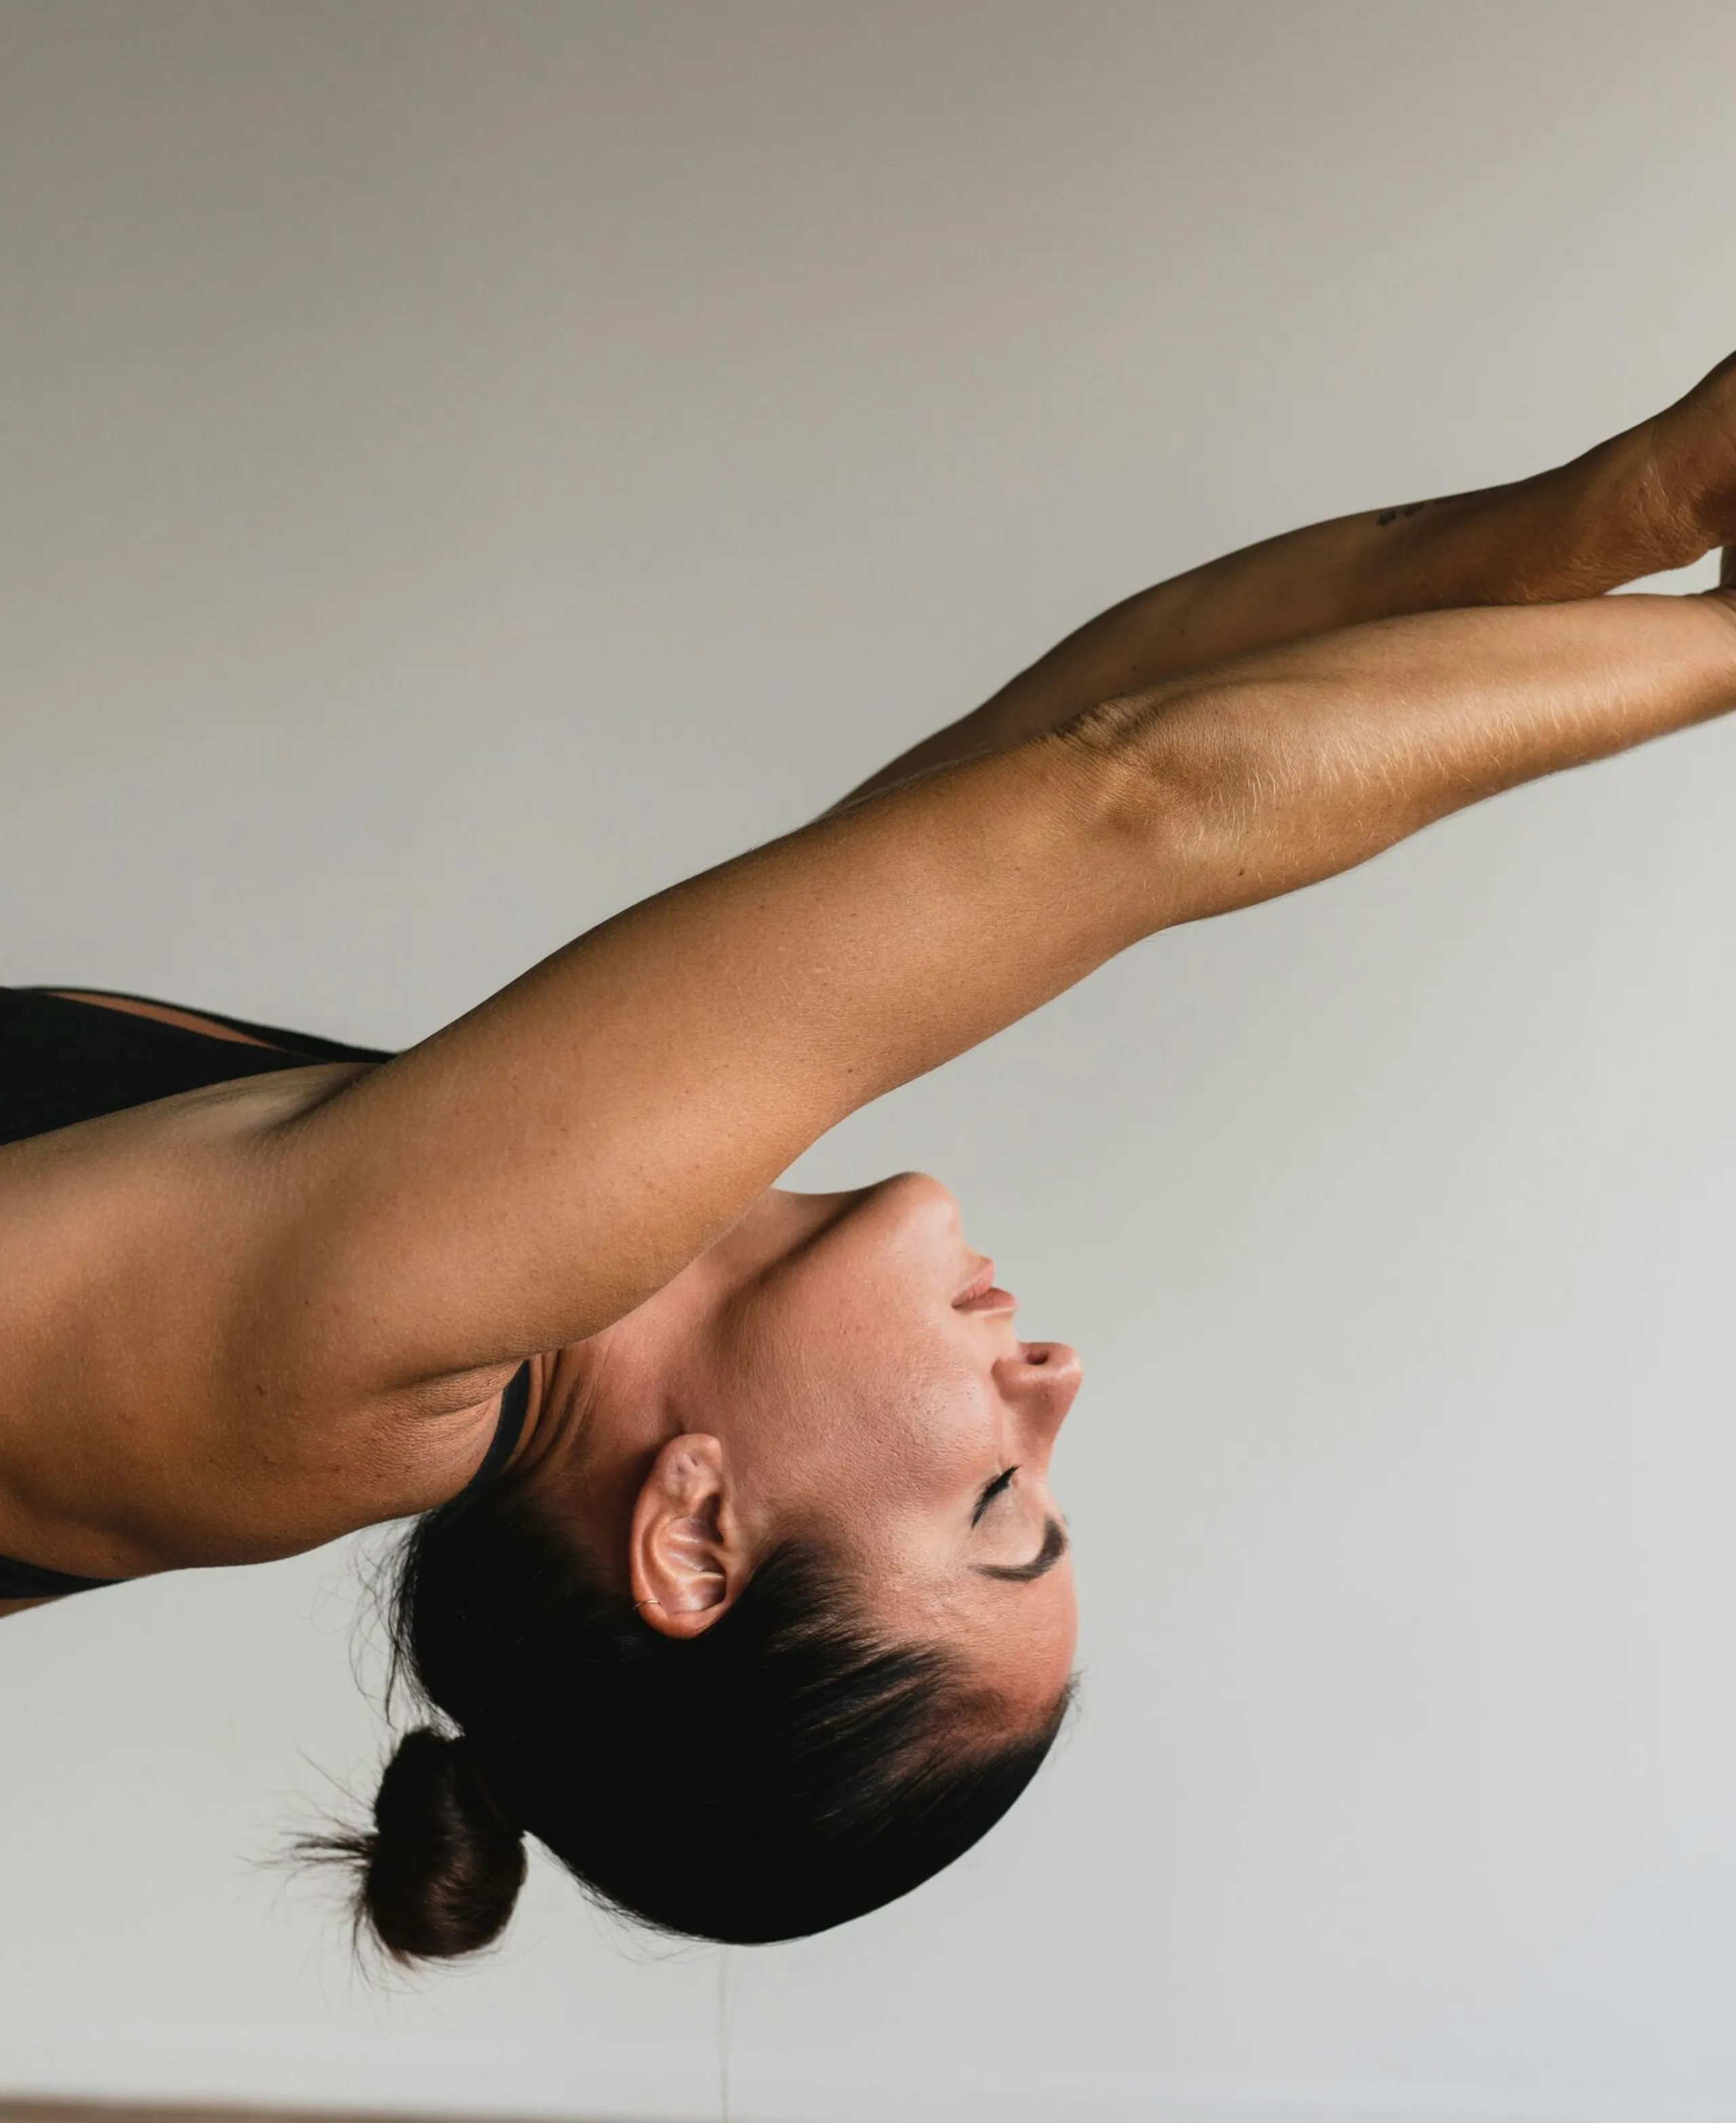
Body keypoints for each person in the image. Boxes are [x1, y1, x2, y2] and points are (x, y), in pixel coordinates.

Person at [6, 356, 1736, 1964]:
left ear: (692, 1536)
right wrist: (1633, 509)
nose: (1053, 1386)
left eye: (998, 1501)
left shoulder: (345, 1368)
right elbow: (1103, 724)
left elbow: (1125, 804)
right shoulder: (466, 1280)